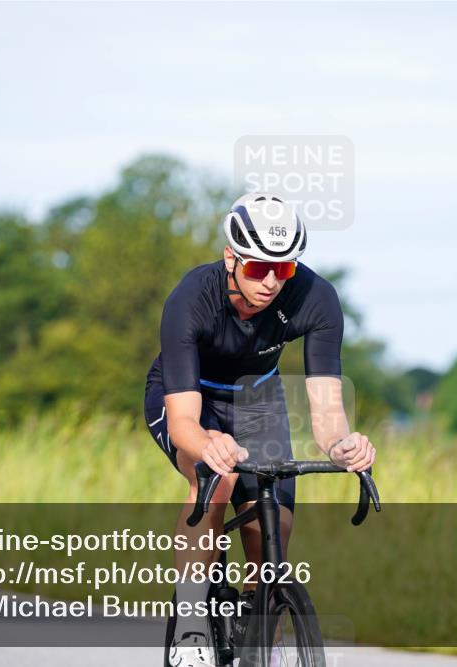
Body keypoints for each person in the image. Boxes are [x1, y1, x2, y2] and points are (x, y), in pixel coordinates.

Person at [144, 193, 376, 667]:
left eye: (283, 269)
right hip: (188, 396)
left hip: (257, 400)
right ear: (231, 257)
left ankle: (260, 633)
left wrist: (343, 445)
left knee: (272, 529)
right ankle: (191, 622)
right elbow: (184, 422)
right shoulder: (191, 298)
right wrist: (209, 444)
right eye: (258, 268)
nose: (271, 282)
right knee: (217, 479)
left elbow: (327, 412)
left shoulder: (316, 298)